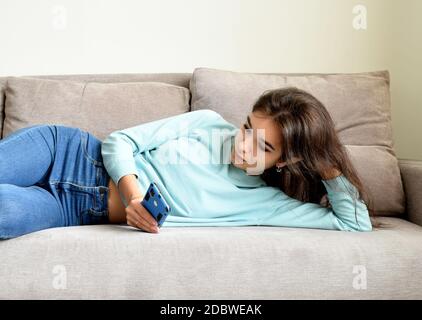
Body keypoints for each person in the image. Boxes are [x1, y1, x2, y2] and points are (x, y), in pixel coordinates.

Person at [0, 87, 374, 240]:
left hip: (73, 210)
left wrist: (325, 161)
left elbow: (355, 223)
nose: (243, 145)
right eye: (246, 128)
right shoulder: (206, 123)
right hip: (68, 153)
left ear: (287, 159)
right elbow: (121, 141)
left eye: (261, 146)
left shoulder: (268, 204)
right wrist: (133, 197)